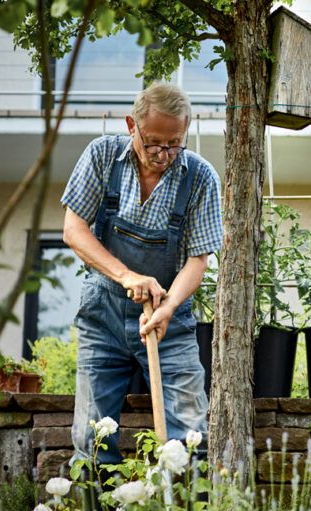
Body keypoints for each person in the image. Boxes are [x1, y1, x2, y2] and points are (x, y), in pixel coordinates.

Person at [61, 83, 222, 464]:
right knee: (92, 435)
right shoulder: (102, 157)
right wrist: (126, 276)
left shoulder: (200, 177)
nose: (163, 154)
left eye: (174, 144)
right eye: (152, 143)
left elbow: (198, 260)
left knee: (190, 434)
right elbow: (74, 230)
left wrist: (169, 306)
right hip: (103, 314)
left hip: (170, 319)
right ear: (131, 124)